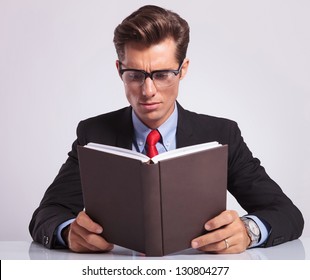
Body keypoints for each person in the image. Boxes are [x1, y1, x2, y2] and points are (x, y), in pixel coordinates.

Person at [29, 5, 304, 254]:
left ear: (182, 70)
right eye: (135, 75)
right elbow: (46, 215)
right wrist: (67, 232)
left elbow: (286, 213)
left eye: (162, 75)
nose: (148, 91)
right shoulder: (93, 134)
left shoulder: (221, 135)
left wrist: (247, 231)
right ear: (119, 70)